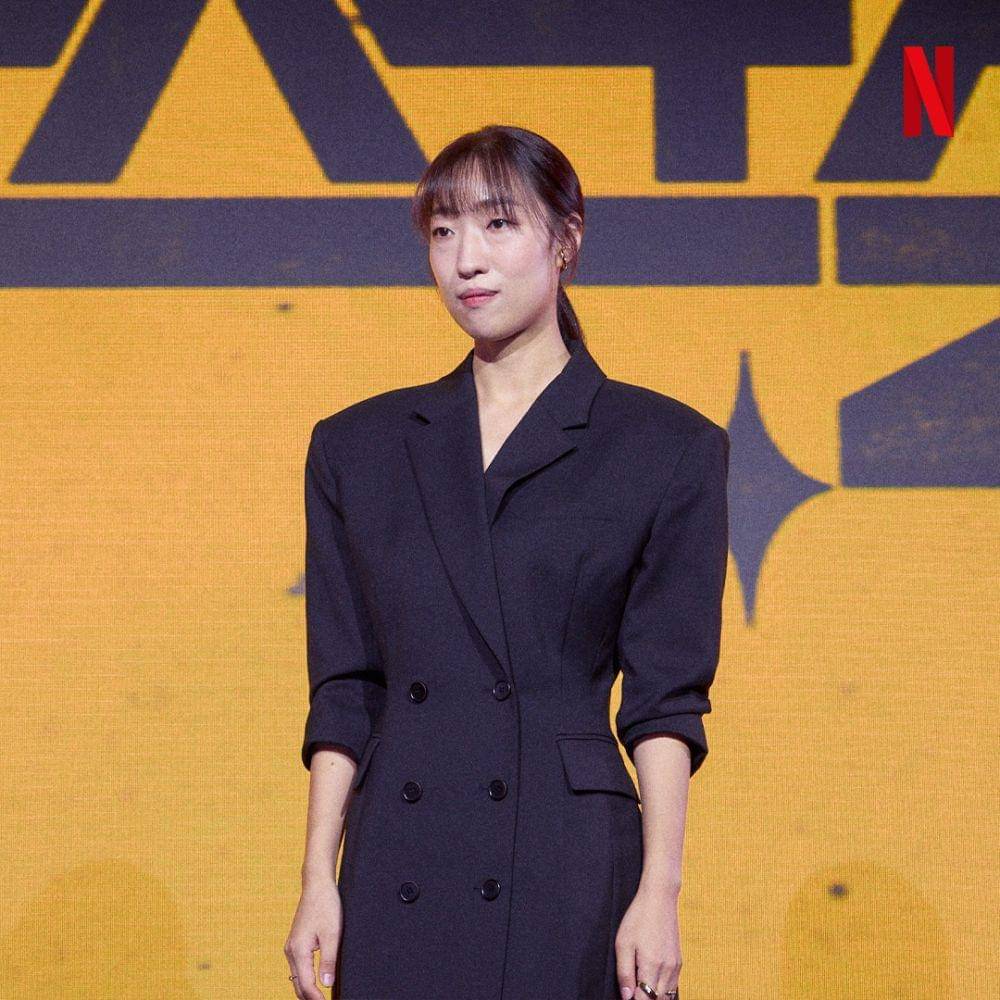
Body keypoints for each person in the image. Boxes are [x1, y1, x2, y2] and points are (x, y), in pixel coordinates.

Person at [285, 124, 730, 1000]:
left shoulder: (666, 446)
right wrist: (317, 881)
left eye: (498, 224)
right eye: (442, 231)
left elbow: (665, 700)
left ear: (566, 239)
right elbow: (346, 688)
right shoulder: (358, 448)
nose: (466, 260)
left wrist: (659, 892)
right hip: (399, 854)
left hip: (565, 860)